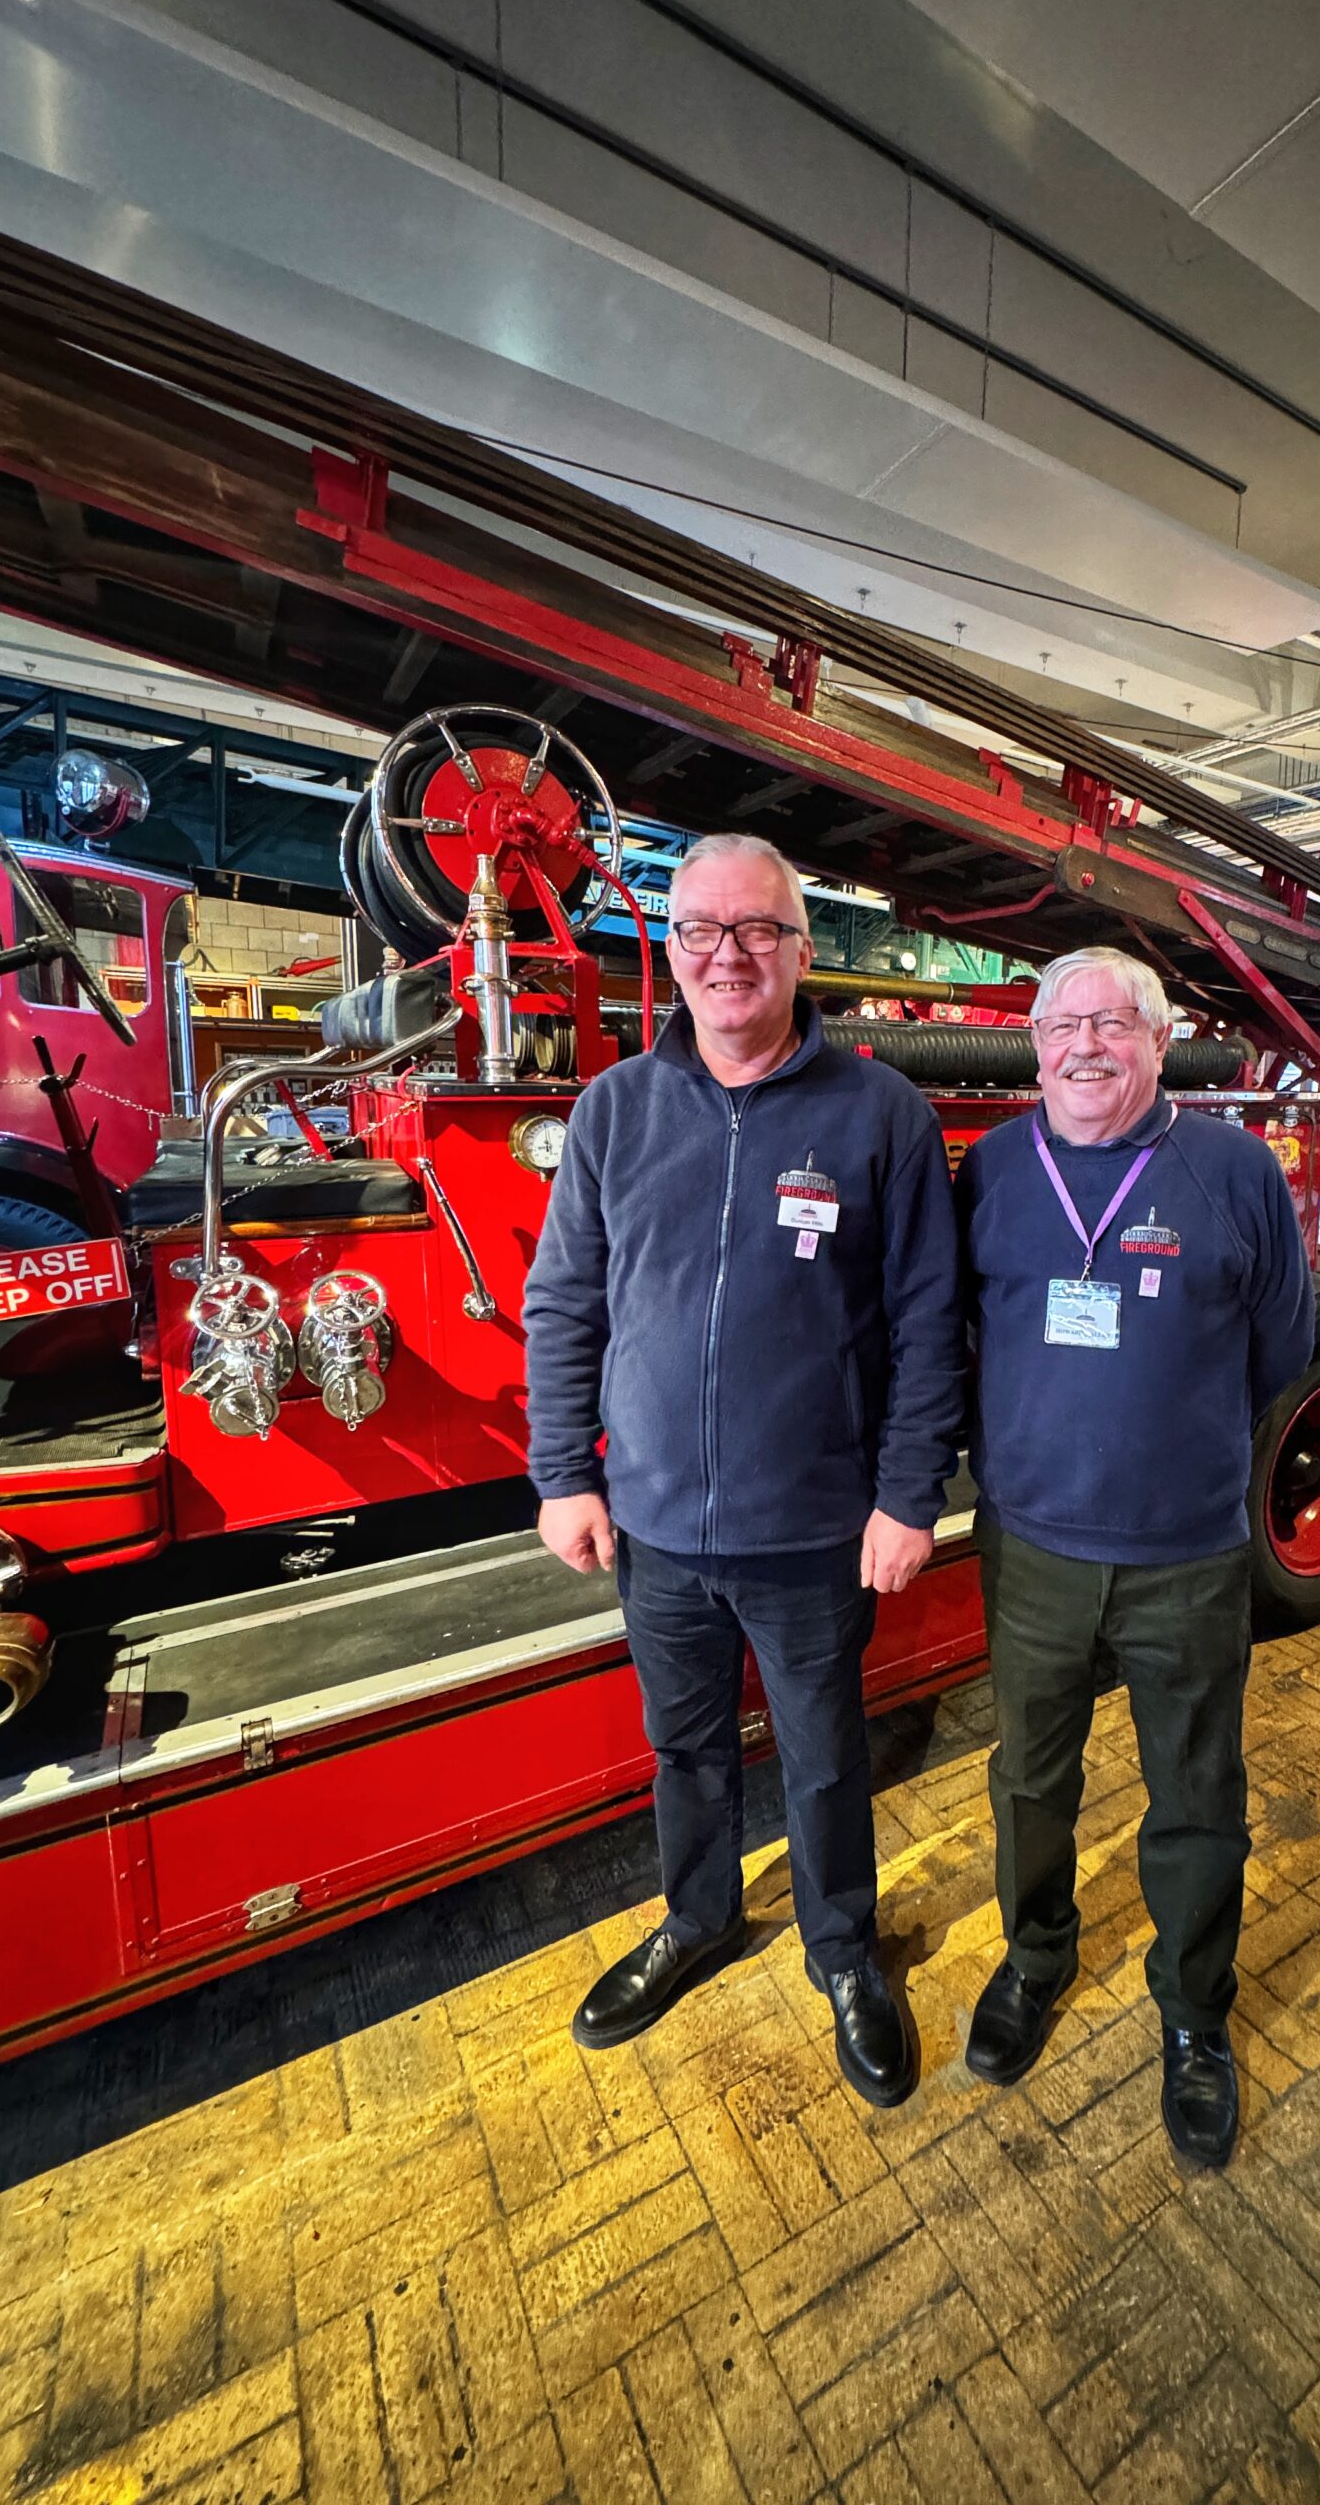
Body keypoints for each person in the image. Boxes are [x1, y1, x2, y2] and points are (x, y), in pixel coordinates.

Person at [524, 833, 962, 2107]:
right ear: (672, 950)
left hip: (813, 1527)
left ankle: (843, 1951)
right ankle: (700, 1917)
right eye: (702, 931)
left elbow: (930, 1323)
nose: (728, 954)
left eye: (757, 929)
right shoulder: (615, 1109)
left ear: (801, 948)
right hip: (656, 1528)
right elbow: (565, 1304)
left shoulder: (881, 1114)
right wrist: (565, 1472)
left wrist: (904, 1495)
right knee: (687, 1752)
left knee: (825, 1755)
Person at [956, 945, 1315, 2166]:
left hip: (1185, 1554)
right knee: (1029, 1779)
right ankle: (1034, 1959)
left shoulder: (1233, 1170)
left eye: (1115, 1023)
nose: (1086, 1046)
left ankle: (1194, 2016)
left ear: (1161, 1040)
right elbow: (958, 1335)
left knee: (1198, 1794)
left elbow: (1281, 1351)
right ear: (1035, 1044)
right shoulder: (995, 1170)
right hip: (1033, 1545)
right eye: (1062, 1025)